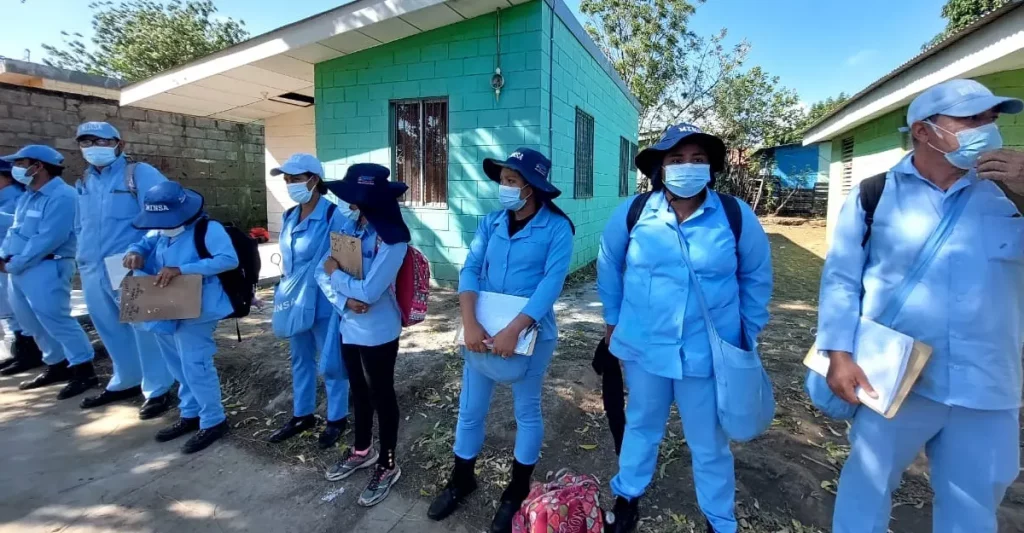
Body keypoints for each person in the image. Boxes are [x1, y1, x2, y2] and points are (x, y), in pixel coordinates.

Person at [818, 79, 1024, 533]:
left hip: (986, 387)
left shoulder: (1010, 193)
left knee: (973, 509)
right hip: (894, 380)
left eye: (992, 118)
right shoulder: (876, 193)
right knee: (864, 493)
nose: (987, 129)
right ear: (923, 131)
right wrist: (838, 353)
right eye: (971, 119)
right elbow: (841, 277)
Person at [597, 125, 772, 533]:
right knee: (641, 425)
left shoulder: (733, 215)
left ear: (710, 168)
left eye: (697, 159)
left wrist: (744, 335)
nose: (687, 167)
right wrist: (612, 320)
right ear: (660, 169)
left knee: (709, 442)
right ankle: (627, 496)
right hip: (645, 348)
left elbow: (756, 277)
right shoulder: (634, 213)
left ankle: (720, 520)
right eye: (676, 160)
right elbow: (609, 263)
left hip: (708, 353)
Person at [426, 148, 575, 533]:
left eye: (512, 181)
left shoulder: (558, 228)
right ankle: (462, 479)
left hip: (530, 336)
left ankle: (517, 491)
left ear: (533, 186)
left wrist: (516, 328)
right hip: (480, 332)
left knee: (526, 411)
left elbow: (551, 283)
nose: (504, 188)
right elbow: (471, 268)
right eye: (503, 180)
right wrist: (469, 321)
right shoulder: (491, 223)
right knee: (470, 409)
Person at [123, 181, 237, 454]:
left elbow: (228, 259)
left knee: (195, 363)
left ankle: (213, 420)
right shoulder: (161, 229)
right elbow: (144, 242)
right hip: (164, 303)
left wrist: (182, 269)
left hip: (199, 306)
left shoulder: (209, 230)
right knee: (176, 363)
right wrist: (135, 253)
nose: (162, 224)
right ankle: (190, 413)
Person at [73, 121, 176, 419]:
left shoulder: (138, 174)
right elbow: (80, 223)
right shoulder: (84, 181)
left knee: (144, 328)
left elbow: (164, 214)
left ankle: (157, 389)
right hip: (92, 266)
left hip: (128, 263)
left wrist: (146, 252)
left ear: (119, 144)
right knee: (108, 326)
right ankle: (125, 379)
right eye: (86, 141)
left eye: (101, 141)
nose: (93, 148)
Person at [321, 164, 408, 508]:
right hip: (348, 323)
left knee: (382, 394)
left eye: (356, 200)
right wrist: (344, 296)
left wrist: (337, 278)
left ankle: (387, 464)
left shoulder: (394, 239)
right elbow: (323, 268)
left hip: (378, 330)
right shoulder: (350, 225)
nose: (350, 205)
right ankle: (362, 450)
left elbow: (370, 292)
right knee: (358, 390)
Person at [266, 153, 350, 449]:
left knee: (331, 362)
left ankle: (337, 418)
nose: (289, 184)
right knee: (299, 358)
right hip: (296, 301)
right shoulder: (289, 216)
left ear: (314, 180)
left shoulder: (333, 215)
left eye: (296, 179)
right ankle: (303, 414)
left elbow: (346, 257)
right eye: (287, 179)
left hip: (325, 301)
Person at [0, 145, 98, 398]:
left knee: (57, 319)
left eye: (21, 163)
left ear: (38, 166)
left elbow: (48, 238)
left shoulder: (63, 197)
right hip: (19, 268)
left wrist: (13, 263)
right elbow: (16, 231)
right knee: (30, 320)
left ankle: (83, 370)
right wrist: (4, 257)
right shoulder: (29, 195)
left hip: (47, 265)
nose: (16, 169)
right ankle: (56, 364)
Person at [0, 159, 43, 376]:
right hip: (6, 261)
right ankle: (21, 352)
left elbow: (15, 225)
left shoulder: (18, 198)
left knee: (20, 310)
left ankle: (30, 354)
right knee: (10, 311)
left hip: (17, 261)